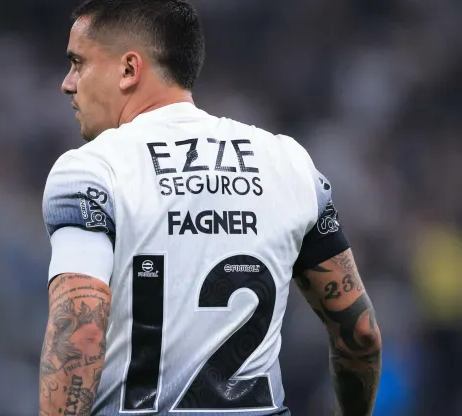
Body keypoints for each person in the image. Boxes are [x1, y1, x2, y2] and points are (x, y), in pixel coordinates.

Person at [38, 1, 382, 415]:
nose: (67, 83)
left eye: (78, 63)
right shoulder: (289, 164)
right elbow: (360, 334)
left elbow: (81, 336)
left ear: (129, 69)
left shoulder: (91, 171)